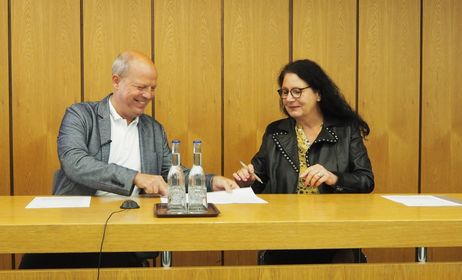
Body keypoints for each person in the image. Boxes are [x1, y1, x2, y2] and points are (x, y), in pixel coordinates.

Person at [19, 50, 239, 269]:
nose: (148, 95)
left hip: (130, 230)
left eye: (153, 88)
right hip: (75, 227)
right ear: (116, 81)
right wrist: (134, 177)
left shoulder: (153, 129)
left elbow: (170, 173)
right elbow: (75, 163)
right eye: (141, 87)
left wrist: (211, 181)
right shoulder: (80, 116)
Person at [233, 59, 374, 264]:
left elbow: (366, 180)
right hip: (284, 235)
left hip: (334, 236)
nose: (289, 99)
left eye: (297, 91)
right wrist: (246, 181)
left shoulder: (346, 130)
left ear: (318, 93)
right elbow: (258, 179)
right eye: (284, 92)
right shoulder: (275, 132)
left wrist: (334, 178)